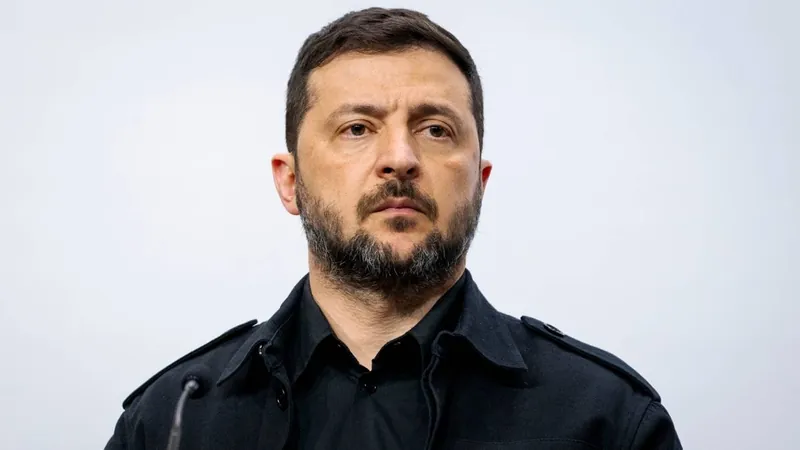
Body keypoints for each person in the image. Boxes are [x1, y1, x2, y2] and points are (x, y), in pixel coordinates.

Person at [105, 7, 682, 450]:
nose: (400, 158)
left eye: (435, 130)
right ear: (290, 181)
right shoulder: (171, 421)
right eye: (357, 128)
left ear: (479, 182)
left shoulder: (608, 420)